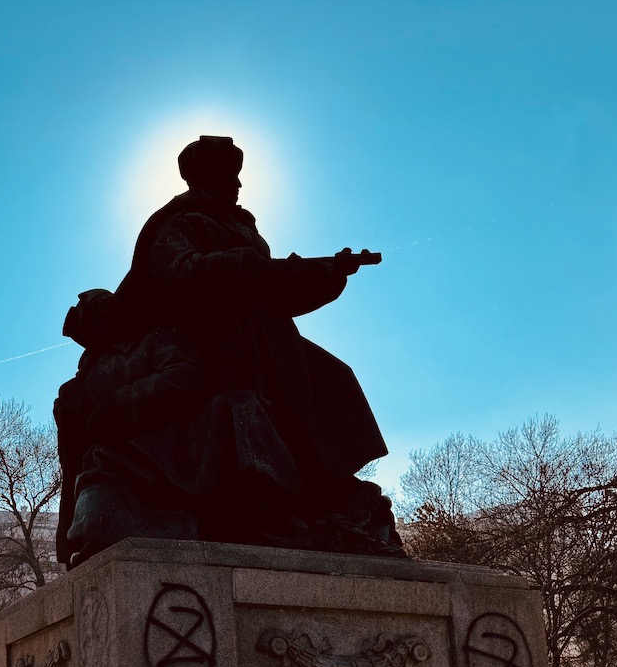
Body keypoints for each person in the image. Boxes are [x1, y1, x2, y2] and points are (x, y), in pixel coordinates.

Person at [56, 135, 404, 567]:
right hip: (219, 340)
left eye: (238, 175)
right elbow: (178, 276)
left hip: (267, 334)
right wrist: (243, 264)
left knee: (334, 378)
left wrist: (326, 274)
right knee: (275, 405)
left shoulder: (239, 224)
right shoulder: (175, 224)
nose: (238, 184)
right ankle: (284, 503)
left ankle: (327, 495)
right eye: (230, 175)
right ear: (205, 178)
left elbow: (272, 289)